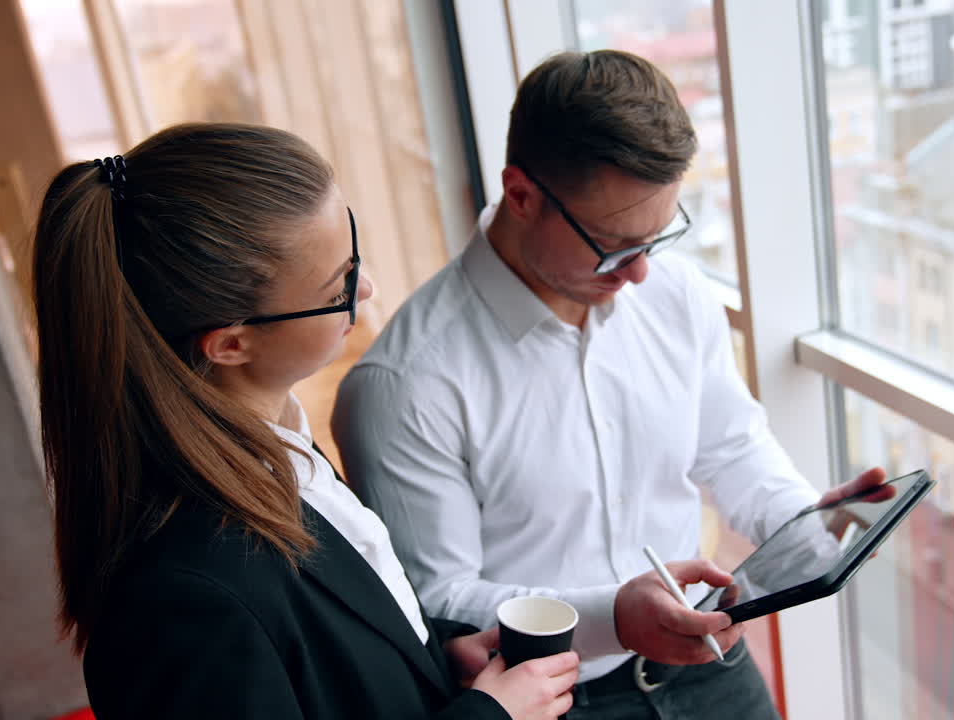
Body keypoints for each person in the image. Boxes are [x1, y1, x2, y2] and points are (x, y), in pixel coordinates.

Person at [332, 51, 887, 719]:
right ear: (521, 195)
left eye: (658, 237)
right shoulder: (403, 385)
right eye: (613, 244)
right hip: (552, 699)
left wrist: (811, 530)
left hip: (713, 666)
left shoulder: (677, 293)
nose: (641, 273)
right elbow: (438, 599)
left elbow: (734, 449)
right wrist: (615, 618)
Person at [34, 122, 582, 720]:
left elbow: (327, 643)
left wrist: (434, 655)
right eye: (336, 286)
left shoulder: (278, 447)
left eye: (354, 254)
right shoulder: (180, 597)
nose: (366, 288)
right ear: (231, 344)